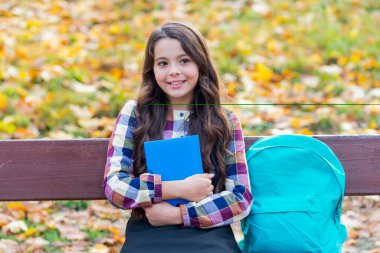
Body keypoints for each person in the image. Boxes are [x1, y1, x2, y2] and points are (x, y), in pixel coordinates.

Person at [102, 21, 252, 253]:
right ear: (152, 70)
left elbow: (240, 198)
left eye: (184, 60)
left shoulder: (224, 120)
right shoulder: (136, 113)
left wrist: (181, 215)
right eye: (163, 63)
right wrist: (176, 189)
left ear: (201, 64)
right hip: (149, 228)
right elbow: (114, 186)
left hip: (209, 232)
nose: (173, 71)